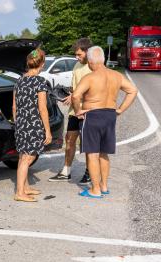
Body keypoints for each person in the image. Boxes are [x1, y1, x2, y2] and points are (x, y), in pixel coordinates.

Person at [72, 46, 138, 198]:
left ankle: (95, 190)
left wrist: (77, 111)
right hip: (109, 115)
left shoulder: (89, 77)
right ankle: (104, 185)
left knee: (92, 154)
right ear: (102, 59)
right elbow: (133, 91)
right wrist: (120, 109)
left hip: (92, 116)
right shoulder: (116, 75)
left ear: (90, 61)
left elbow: (76, 96)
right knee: (104, 153)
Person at [49, 38, 92, 184]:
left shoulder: (93, 67)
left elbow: (93, 90)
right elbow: (76, 87)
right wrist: (69, 94)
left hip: (87, 110)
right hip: (75, 110)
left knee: (86, 143)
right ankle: (66, 171)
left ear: (87, 52)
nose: (77, 57)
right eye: (76, 54)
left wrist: (74, 95)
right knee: (69, 140)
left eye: (79, 54)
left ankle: (90, 172)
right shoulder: (77, 65)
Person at [13, 48, 52, 202]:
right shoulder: (40, 81)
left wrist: (18, 123)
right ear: (41, 64)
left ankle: (25, 187)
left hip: (21, 123)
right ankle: (19, 193)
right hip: (33, 124)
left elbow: (14, 107)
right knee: (28, 159)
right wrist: (47, 131)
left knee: (23, 156)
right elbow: (42, 108)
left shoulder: (19, 81)